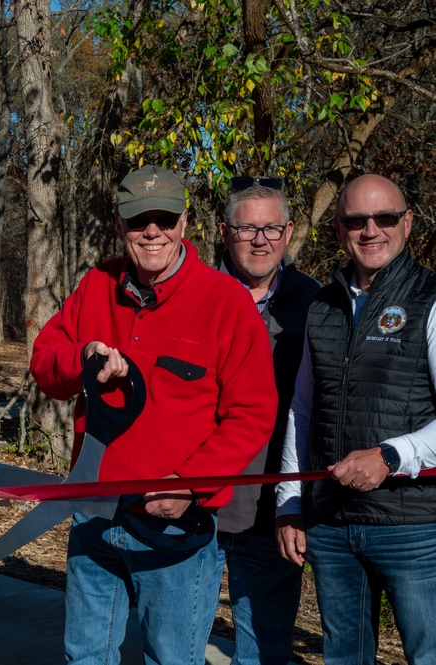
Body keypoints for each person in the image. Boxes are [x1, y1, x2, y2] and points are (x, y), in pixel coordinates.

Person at [30, 164, 277, 665]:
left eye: (164, 220)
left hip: (173, 529)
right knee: (85, 656)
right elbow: (43, 365)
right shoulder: (98, 284)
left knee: (171, 659)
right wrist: (81, 358)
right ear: (120, 226)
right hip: (94, 512)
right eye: (139, 221)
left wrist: (189, 483)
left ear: (185, 223)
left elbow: (252, 413)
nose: (152, 233)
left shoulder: (225, 301)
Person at [276, 174, 436, 664]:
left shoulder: (430, 299)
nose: (371, 230)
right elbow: (302, 410)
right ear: (339, 229)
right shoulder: (321, 306)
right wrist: (289, 501)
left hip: (413, 528)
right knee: (345, 657)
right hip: (331, 527)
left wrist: (392, 455)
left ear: (406, 223)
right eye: (356, 220)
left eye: (384, 217)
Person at [214, 177, 320, 665]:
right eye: (246, 228)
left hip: (270, 510)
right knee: (175, 646)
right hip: (193, 503)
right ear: (223, 232)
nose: (260, 239)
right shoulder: (193, 297)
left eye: (272, 228)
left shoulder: (318, 305)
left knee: (264, 652)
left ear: (290, 231)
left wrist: (297, 503)